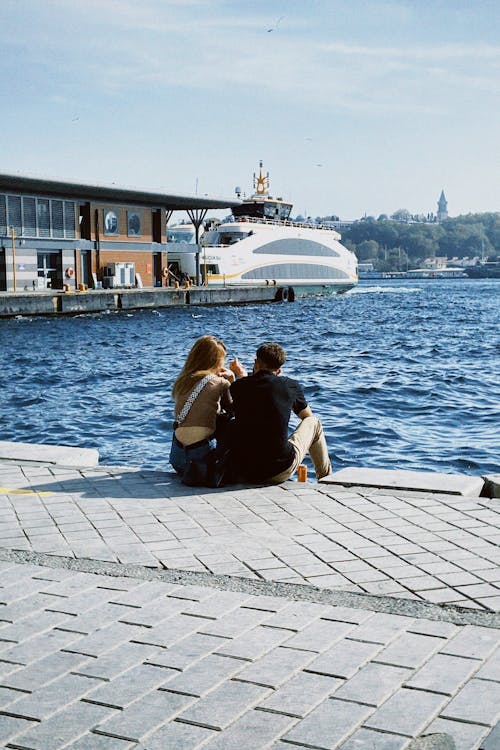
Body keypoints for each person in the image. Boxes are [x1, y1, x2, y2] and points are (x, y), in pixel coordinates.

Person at [228, 342, 331, 484]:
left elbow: (249, 385)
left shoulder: (238, 387)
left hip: (244, 471)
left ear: (256, 363)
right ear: (279, 371)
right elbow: (307, 417)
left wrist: (240, 375)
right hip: (279, 470)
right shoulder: (289, 385)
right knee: (314, 423)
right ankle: (326, 479)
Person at [169, 335, 234, 485]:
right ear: (217, 361)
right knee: (230, 421)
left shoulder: (182, 381)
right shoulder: (220, 383)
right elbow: (234, 409)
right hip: (201, 459)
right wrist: (232, 381)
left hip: (178, 459)